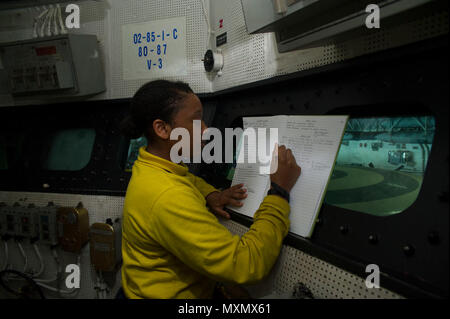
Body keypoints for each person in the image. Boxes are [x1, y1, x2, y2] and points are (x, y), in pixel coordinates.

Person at [119, 80, 301, 299]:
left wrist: (211, 194)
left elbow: (185, 179)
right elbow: (246, 264)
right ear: (162, 128)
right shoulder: (168, 196)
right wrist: (279, 192)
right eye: (196, 120)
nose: (206, 130)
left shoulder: (150, 167)